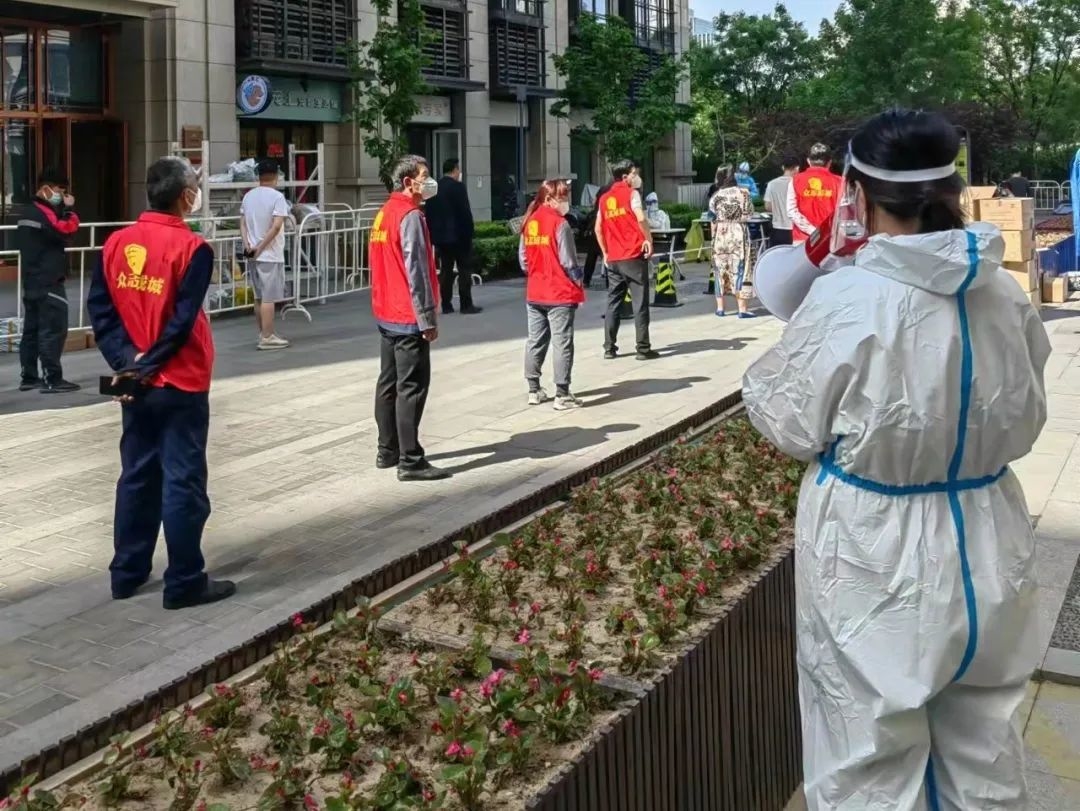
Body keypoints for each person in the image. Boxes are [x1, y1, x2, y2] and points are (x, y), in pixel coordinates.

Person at [743, 109, 1050, 811]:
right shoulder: (1003, 290)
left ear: (856, 193)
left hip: (870, 551)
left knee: (867, 756)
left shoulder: (848, 297)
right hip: (987, 534)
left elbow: (786, 418)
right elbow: (1028, 411)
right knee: (984, 746)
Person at [88, 157, 236, 611]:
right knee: (183, 481)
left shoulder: (115, 242)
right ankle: (184, 581)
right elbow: (181, 321)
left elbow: (100, 311)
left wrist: (127, 363)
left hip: (134, 381)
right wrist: (148, 365)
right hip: (180, 381)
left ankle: (126, 573)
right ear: (186, 197)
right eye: (195, 188)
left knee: (136, 475)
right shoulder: (193, 248)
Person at [369, 155, 449, 482]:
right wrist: (427, 319)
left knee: (388, 383)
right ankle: (411, 460)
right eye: (424, 176)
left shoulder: (384, 213)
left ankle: (387, 450)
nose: (429, 182)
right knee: (411, 388)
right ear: (408, 182)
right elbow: (417, 271)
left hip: (386, 311)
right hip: (407, 314)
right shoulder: (410, 216)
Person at [518, 178, 585, 411]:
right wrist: (578, 281)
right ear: (548, 198)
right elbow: (569, 261)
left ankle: (534, 389)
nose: (566, 201)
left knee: (535, 341)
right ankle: (562, 394)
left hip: (535, 292)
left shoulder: (529, 222)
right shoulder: (560, 224)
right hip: (559, 293)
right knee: (562, 343)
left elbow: (523, 261)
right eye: (562, 197)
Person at [16, 168, 81, 393]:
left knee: (32, 330)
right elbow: (65, 231)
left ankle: (28, 377)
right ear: (46, 188)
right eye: (60, 191)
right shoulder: (45, 213)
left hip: (31, 279)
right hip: (49, 279)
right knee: (53, 329)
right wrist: (69, 210)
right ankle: (52, 378)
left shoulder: (26, 212)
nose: (62, 196)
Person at [595, 160, 659, 361]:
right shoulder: (632, 194)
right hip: (633, 256)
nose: (636, 177)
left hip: (614, 259)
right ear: (625, 177)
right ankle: (643, 348)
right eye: (634, 174)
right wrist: (648, 240)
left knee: (613, 303)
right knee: (640, 304)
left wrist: (605, 253)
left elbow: (598, 228)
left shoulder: (604, 198)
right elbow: (641, 218)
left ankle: (609, 348)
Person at [240, 158, 290, 350]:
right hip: (270, 254)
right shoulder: (277, 198)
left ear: (258, 176)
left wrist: (248, 245)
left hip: (252, 253)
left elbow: (243, 223)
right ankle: (268, 337)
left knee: (259, 296)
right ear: (276, 176)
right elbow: (276, 226)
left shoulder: (248, 196)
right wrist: (261, 247)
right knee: (269, 297)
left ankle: (263, 332)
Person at [424, 157, 482, 315]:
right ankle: (466, 304)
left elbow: (428, 213)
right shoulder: (458, 187)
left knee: (446, 270)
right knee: (464, 269)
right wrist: (470, 232)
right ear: (455, 170)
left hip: (441, 238)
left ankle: (446, 304)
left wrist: (432, 234)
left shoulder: (432, 188)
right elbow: (465, 212)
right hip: (459, 236)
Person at [708, 166, 756, 318]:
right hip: (738, 233)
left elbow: (712, 219)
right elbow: (749, 214)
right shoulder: (744, 193)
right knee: (741, 268)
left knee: (719, 269)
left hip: (720, 234)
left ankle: (720, 308)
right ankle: (742, 309)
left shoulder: (716, 196)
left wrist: (713, 238)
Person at [786, 143, 842, 244]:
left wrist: (813, 231)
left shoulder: (795, 180)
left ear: (808, 161)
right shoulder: (840, 182)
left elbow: (791, 211)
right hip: (831, 239)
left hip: (802, 240)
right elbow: (845, 210)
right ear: (829, 162)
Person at [763, 156, 799, 246]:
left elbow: (767, 206)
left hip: (777, 229)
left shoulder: (771, 184)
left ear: (783, 167)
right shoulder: (799, 184)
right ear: (797, 168)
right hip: (796, 229)